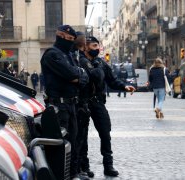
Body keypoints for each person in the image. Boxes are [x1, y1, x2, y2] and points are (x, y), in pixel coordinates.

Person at [79, 36, 135, 177]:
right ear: (85, 47)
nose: (97, 49)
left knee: (105, 132)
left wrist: (124, 86)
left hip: (98, 102)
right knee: (82, 135)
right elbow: (92, 77)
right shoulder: (79, 61)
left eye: (98, 46)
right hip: (83, 102)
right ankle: (84, 167)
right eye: (93, 46)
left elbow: (112, 80)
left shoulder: (101, 63)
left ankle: (108, 165)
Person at [40, 25, 89, 180]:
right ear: (59, 35)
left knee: (73, 141)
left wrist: (77, 76)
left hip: (71, 104)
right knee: (62, 142)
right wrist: (76, 76)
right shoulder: (52, 54)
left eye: (72, 40)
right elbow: (70, 74)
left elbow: (83, 77)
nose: (69, 42)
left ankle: (73, 174)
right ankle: (62, 176)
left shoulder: (68, 55)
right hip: (58, 106)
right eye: (67, 39)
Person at [70, 31, 94, 178]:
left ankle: (82, 167)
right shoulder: (75, 56)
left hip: (82, 103)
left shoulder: (79, 56)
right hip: (77, 103)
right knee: (78, 140)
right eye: (85, 41)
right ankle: (77, 169)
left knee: (82, 139)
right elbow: (84, 77)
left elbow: (84, 77)